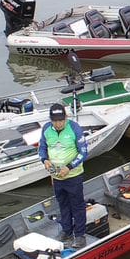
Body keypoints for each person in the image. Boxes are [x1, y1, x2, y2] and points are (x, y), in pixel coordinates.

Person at [38, 104, 89, 249]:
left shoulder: (74, 128)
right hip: (56, 177)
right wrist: (45, 160)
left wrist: (69, 167)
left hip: (73, 176)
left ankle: (80, 235)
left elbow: (84, 152)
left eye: (61, 120)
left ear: (66, 118)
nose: (58, 123)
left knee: (78, 206)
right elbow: (42, 148)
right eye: (55, 121)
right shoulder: (46, 129)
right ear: (51, 120)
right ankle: (67, 231)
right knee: (63, 205)